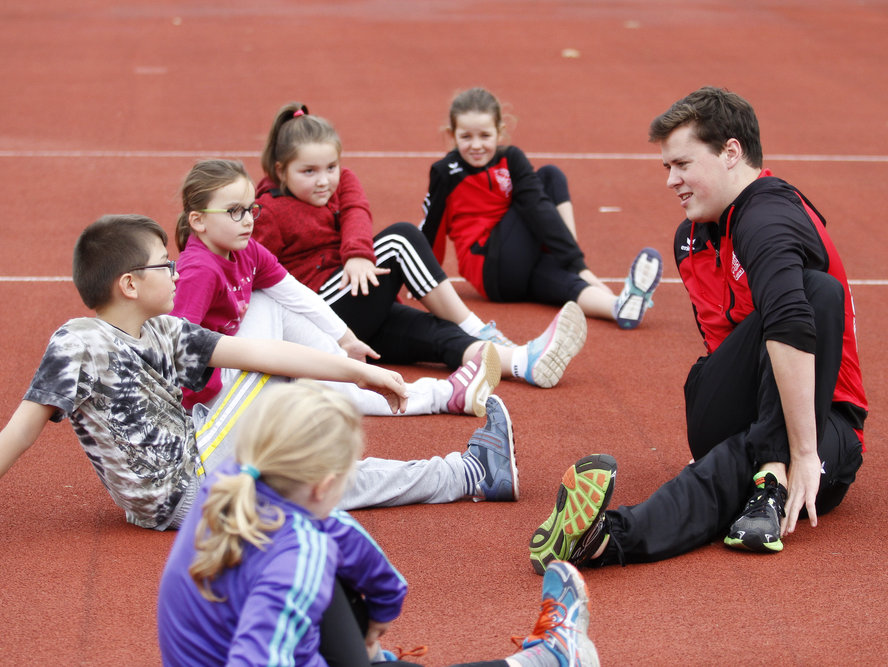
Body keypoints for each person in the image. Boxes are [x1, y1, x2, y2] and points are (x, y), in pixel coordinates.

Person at [0, 215, 519, 552]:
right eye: (167, 262)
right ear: (128, 284)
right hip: (179, 491)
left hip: (197, 458)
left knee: (293, 435)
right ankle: (458, 458)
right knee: (280, 396)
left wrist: (359, 368)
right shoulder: (79, 341)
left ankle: (467, 475)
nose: (178, 268)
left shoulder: (163, 332)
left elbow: (257, 348)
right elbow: (19, 431)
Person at [528, 87, 867, 571]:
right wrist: (784, 451)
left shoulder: (768, 215)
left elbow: (792, 319)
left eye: (682, 164)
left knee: (813, 296)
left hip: (826, 413)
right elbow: (728, 347)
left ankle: (607, 540)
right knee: (758, 434)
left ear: (731, 153)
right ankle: (769, 473)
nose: (671, 180)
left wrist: (806, 452)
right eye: (666, 167)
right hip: (732, 402)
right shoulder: (690, 239)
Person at [158, 381, 599, 667]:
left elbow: (368, 562)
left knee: (341, 590)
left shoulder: (228, 481)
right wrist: (373, 628)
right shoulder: (300, 552)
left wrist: (377, 620)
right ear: (326, 485)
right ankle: (554, 659)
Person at [253, 102, 587, 389]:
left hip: (360, 304)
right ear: (281, 170)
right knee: (400, 238)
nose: (324, 180)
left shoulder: (343, 181)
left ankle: (521, 363)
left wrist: (356, 254)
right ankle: (480, 330)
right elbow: (253, 272)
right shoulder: (269, 211)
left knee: (436, 331)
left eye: (331, 167)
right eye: (308, 171)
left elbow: (357, 209)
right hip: (322, 315)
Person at [171, 158, 500, 418]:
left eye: (250, 209)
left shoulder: (248, 250)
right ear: (198, 221)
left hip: (238, 367)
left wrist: (345, 339)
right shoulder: (199, 270)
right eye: (234, 212)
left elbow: (296, 294)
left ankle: (439, 396)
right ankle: (435, 396)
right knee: (313, 365)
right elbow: (175, 349)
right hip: (209, 400)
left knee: (275, 304)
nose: (247, 220)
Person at [421, 87, 663, 329]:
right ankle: (571, 263)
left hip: (517, 268)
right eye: (466, 137)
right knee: (548, 179)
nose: (476, 145)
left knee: (564, 284)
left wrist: (575, 267)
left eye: (485, 136)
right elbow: (433, 224)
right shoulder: (445, 171)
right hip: (489, 262)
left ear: (499, 132)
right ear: (452, 135)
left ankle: (618, 306)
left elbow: (538, 206)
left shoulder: (510, 159)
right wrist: (426, 280)